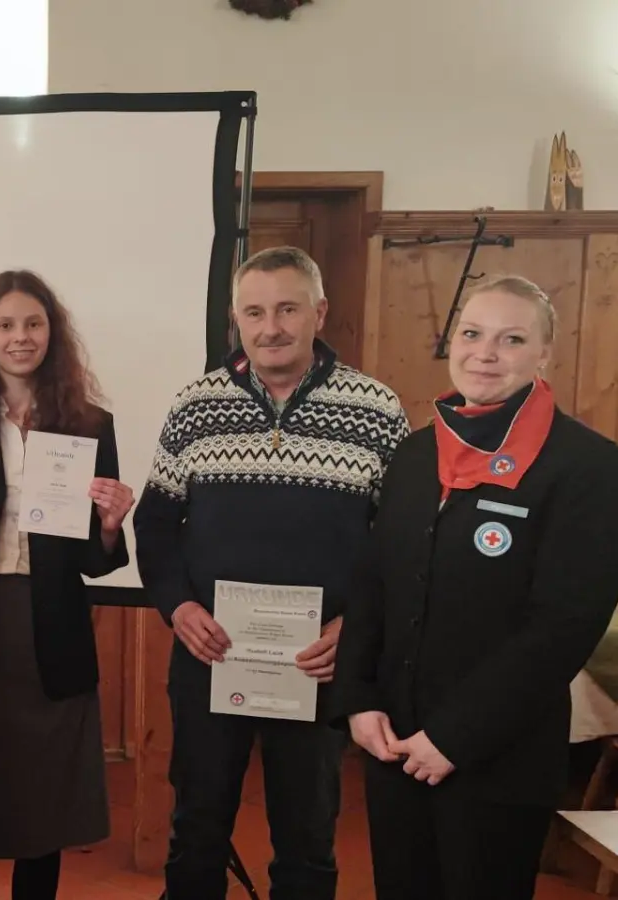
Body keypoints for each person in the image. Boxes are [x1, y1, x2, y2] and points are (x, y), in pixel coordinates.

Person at [132, 246, 409, 900]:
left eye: (286, 308)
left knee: (307, 840)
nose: (270, 327)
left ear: (318, 311)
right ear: (235, 320)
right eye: (253, 312)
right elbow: (153, 526)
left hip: (317, 666)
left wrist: (357, 628)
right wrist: (178, 608)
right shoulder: (195, 405)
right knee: (195, 831)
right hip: (209, 657)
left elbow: (400, 545)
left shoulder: (375, 409)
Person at [338, 274, 618, 899]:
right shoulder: (414, 456)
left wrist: (454, 737)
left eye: (511, 338)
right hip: (396, 746)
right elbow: (374, 586)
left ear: (545, 353)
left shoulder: (589, 468)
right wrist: (359, 700)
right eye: (471, 334)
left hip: (496, 758)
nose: (485, 353)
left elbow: (564, 625)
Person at [0, 270, 136, 900]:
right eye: (6, 325)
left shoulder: (88, 423)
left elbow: (96, 561)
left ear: (52, 333)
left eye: (33, 323)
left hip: (51, 628)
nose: (20, 337)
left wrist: (108, 525)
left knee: (45, 798)